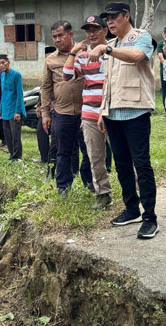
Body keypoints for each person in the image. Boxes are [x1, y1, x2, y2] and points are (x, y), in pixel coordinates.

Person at [89, 2, 159, 239]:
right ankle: (131, 209)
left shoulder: (141, 37)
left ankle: (150, 217)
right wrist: (101, 111)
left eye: (113, 17)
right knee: (121, 164)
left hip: (136, 110)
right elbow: (108, 81)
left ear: (126, 16)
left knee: (142, 164)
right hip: (113, 113)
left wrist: (106, 51)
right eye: (106, 18)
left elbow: (137, 57)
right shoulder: (109, 44)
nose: (109, 22)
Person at [63, 15, 113, 210]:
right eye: (88, 30)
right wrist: (73, 52)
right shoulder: (82, 56)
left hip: (112, 110)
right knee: (95, 157)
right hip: (90, 113)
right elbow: (67, 76)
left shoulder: (113, 52)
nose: (91, 34)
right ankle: (103, 194)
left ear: (105, 30)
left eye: (95, 29)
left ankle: (133, 193)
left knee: (123, 155)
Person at [41, 21, 89, 196]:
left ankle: (90, 183)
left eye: (61, 35)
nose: (57, 40)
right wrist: (45, 113)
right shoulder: (50, 59)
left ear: (71, 34)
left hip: (87, 111)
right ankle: (63, 187)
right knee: (63, 152)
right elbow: (45, 87)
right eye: (54, 37)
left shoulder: (85, 52)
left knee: (89, 151)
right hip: (62, 113)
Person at [0, 54, 25, 160]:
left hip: (14, 109)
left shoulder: (16, 75)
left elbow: (19, 94)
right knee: (7, 134)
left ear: (8, 62)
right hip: (5, 109)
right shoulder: (2, 75)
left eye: (3, 63)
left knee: (15, 134)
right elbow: (3, 94)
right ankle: (11, 154)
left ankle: (17, 156)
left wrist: (18, 111)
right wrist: (0, 110)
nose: (1, 65)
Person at [36, 46, 58, 164]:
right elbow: (43, 89)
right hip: (46, 108)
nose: (48, 60)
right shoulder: (46, 70)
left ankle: (54, 158)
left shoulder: (60, 69)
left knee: (56, 134)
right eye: (46, 58)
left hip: (58, 107)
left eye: (50, 57)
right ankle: (44, 157)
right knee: (41, 131)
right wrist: (39, 105)